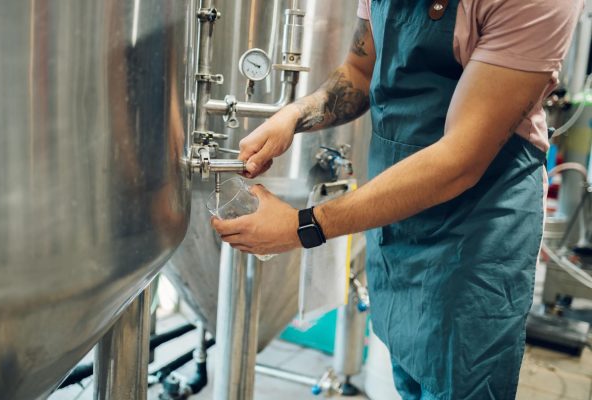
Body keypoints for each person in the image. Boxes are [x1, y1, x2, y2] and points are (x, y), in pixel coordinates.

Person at [212, 0, 583, 398]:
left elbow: (460, 160)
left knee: (462, 380)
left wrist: (302, 226)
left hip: (477, 230)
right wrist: (293, 115)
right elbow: (358, 71)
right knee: (409, 367)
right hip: (396, 215)